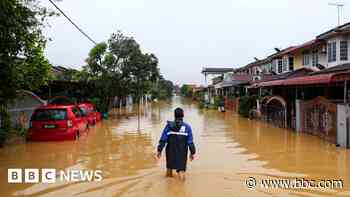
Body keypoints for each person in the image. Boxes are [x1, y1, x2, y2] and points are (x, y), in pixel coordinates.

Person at [157, 107, 196, 181]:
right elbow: (190, 142)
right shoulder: (187, 127)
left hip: (170, 152)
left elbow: (163, 140)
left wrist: (159, 150)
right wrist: (192, 152)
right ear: (183, 115)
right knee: (181, 170)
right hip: (182, 153)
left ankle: (169, 187)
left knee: (169, 169)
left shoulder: (168, 126)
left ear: (174, 115)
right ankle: (181, 189)